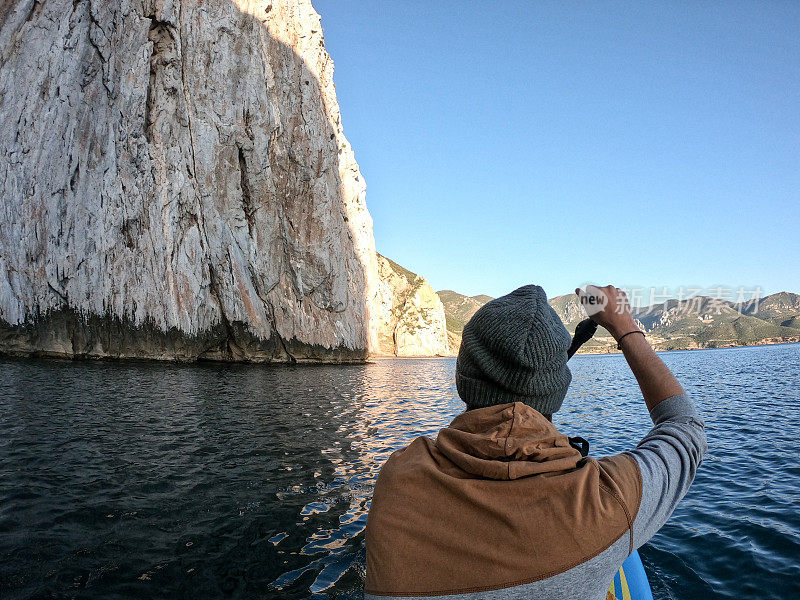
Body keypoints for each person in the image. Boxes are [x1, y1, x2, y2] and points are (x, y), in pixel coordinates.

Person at [364, 284, 707, 600]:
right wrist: (625, 327)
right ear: (557, 392)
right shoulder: (605, 502)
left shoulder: (397, 480)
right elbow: (686, 428)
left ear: (461, 378)